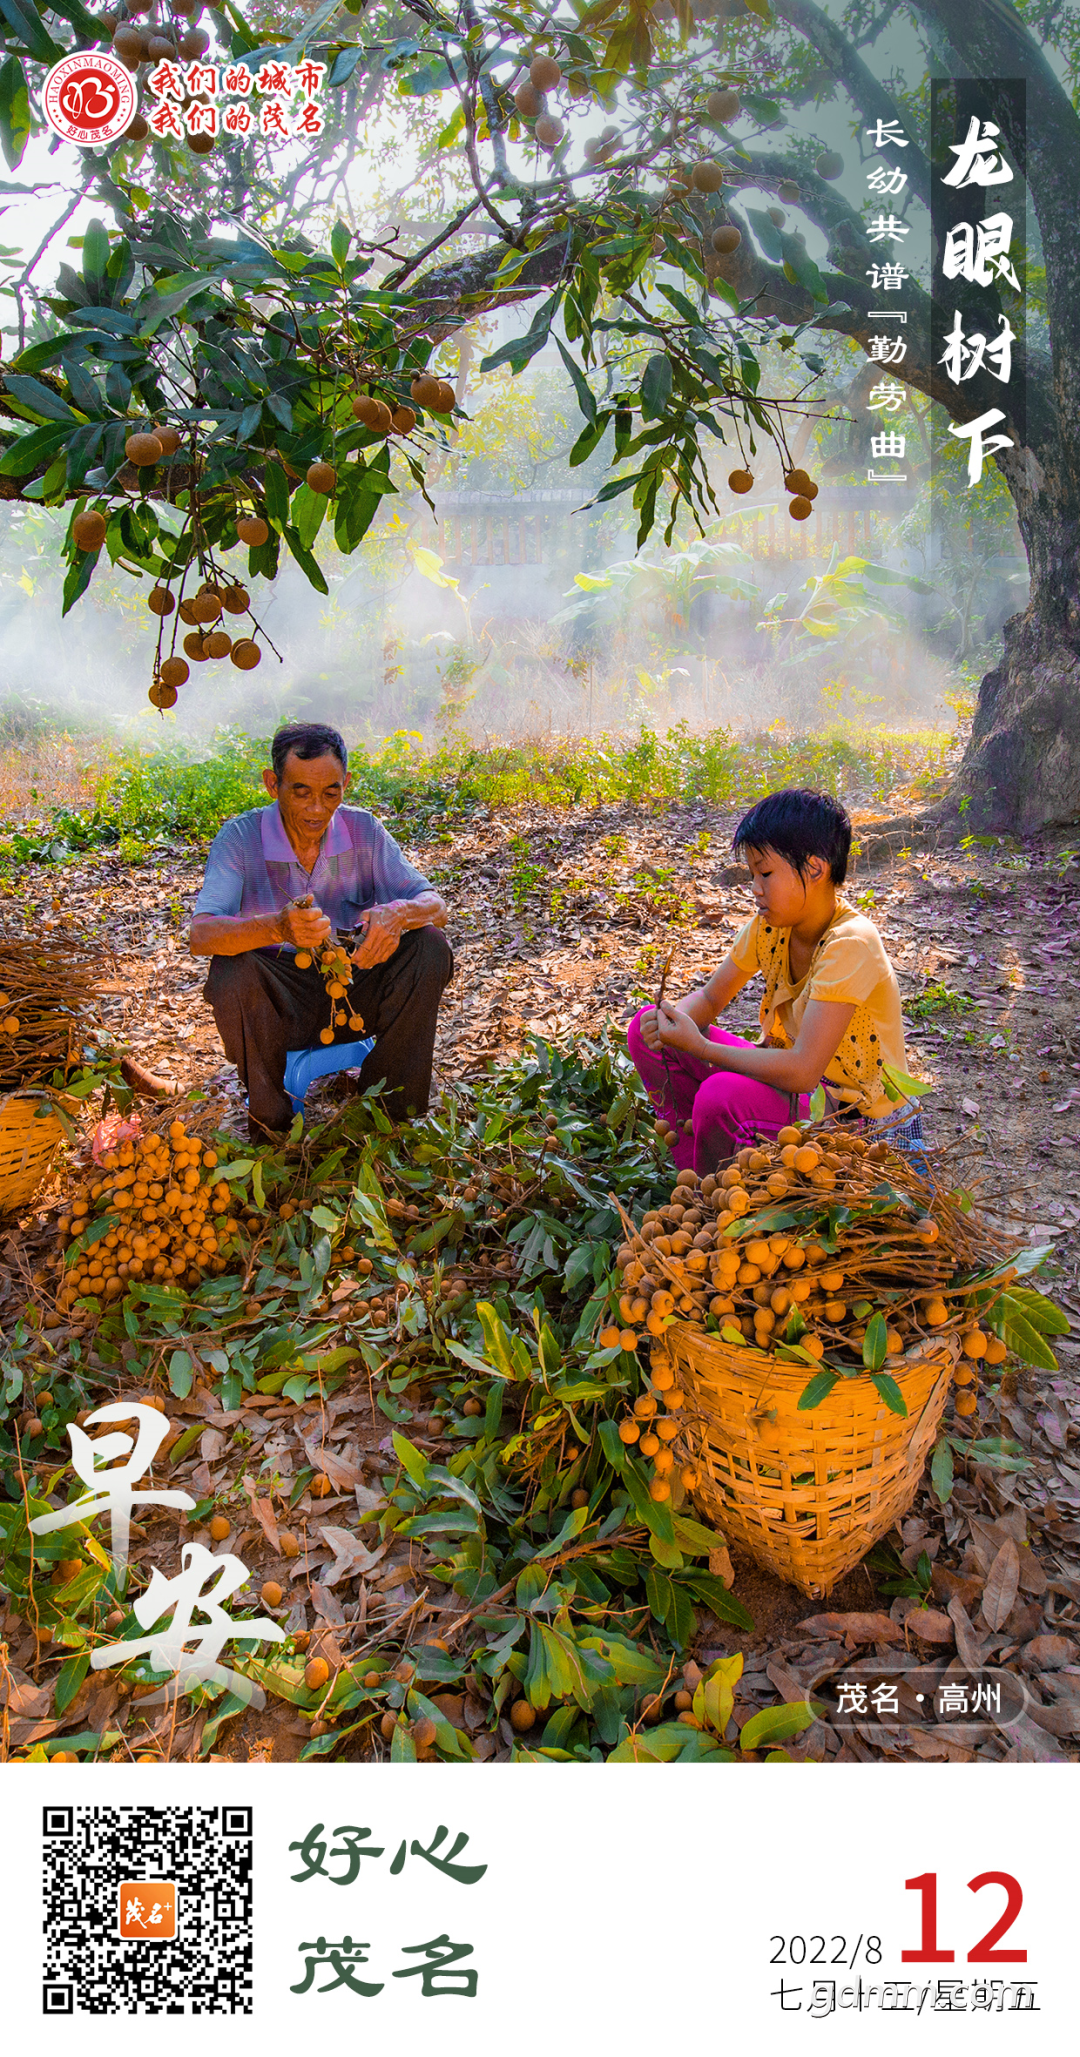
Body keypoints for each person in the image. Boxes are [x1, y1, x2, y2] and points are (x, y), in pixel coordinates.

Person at [628, 787, 924, 1175]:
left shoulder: (851, 943)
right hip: (801, 1088)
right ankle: (695, 1165)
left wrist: (699, 1046)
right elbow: (711, 997)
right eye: (753, 874)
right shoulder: (769, 929)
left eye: (765, 873)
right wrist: (668, 1021)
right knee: (642, 1027)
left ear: (815, 869)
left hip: (856, 1119)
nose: (755, 888)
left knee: (720, 1098)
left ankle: (710, 1199)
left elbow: (803, 1071)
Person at [190, 722, 452, 1139]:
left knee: (429, 946)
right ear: (272, 784)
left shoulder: (363, 831)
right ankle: (272, 1126)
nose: (316, 809)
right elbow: (201, 936)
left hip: (355, 989)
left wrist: (398, 914)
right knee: (231, 973)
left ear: (346, 783)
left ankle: (389, 1117)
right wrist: (275, 926)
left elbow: (435, 905)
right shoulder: (240, 839)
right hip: (280, 1006)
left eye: (331, 792)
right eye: (301, 792)